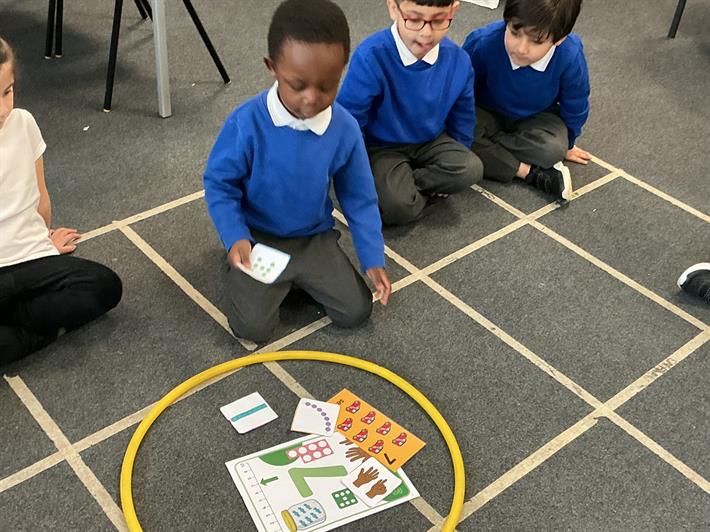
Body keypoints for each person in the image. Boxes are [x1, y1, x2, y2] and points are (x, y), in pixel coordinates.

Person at [203, 0, 391, 343]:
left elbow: (359, 197)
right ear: (272, 67)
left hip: (313, 237)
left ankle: (295, 278)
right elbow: (219, 184)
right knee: (253, 329)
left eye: (326, 86)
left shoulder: (345, 128)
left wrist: (372, 256)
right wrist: (235, 235)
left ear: (342, 70)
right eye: (298, 85)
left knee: (356, 311)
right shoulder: (246, 122)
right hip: (258, 238)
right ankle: (245, 270)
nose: (311, 99)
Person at [0, 37, 123, 364]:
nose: (3, 109)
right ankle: (38, 331)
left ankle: (19, 333)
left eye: (7, 92)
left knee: (104, 286)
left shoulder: (23, 123)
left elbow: (40, 195)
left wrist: (45, 240)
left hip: (31, 260)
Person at [337, 0, 483, 225]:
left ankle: (405, 186)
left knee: (471, 168)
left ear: (453, 10)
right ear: (393, 8)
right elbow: (350, 119)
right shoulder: (372, 56)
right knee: (398, 206)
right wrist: (355, 171)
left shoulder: (458, 60)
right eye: (414, 20)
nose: (426, 34)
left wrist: (460, 151)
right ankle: (402, 189)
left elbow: (463, 116)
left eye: (438, 21)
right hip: (382, 147)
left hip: (431, 141)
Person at [463, 0, 590, 200]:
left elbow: (576, 103)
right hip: (486, 111)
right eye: (514, 32)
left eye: (536, 41)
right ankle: (526, 171)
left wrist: (569, 143)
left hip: (537, 117)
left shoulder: (570, 55)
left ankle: (488, 148)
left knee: (553, 149)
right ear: (507, 21)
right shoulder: (482, 42)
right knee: (459, 133)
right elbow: (461, 91)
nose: (521, 48)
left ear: (559, 39)